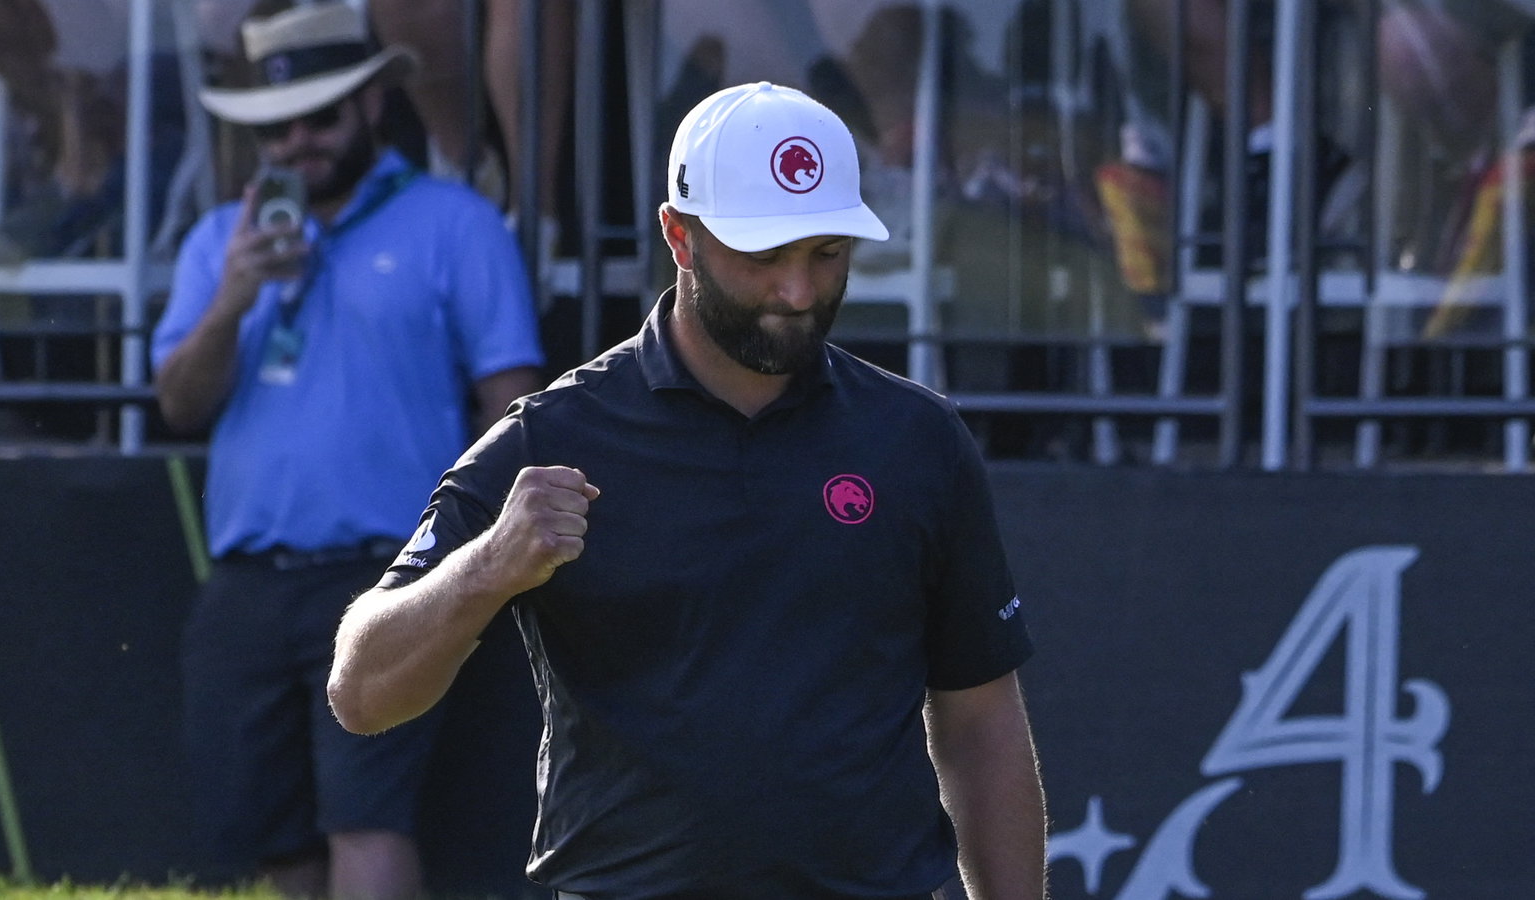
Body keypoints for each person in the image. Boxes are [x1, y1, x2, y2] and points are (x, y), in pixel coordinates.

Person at [327, 81, 1047, 899]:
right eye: (763, 256)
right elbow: (362, 691)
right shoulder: (554, 437)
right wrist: (489, 566)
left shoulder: (918, 439)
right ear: (679, 235)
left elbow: (981, 720)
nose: (798, 292)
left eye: (826, 253)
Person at [149, 3, 545, 897]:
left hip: (391, 571)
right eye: (276, 128)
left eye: (320, 117)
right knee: (269, 831)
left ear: (372, 104)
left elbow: (512, 406)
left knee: (368, 817)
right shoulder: (220, 241)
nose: (298, 144)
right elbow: (178, 404)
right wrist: (232, 299)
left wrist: (484, 558)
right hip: (247, 578)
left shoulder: (455, 223)